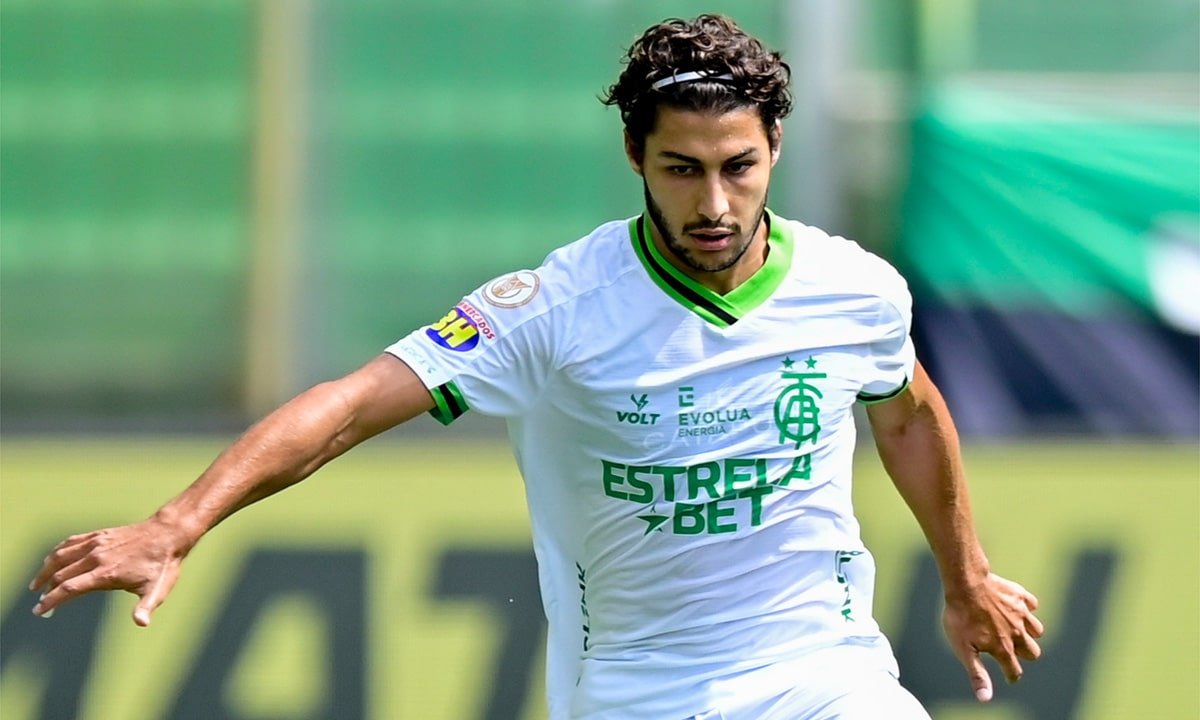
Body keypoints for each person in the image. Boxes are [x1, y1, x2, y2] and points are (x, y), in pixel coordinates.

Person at [30, 14, 1043, 720]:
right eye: (681, 171)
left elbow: (907, 412)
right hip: (641, 693)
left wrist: (964, 578)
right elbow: (347, 406)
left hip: (824, 669)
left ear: (775, 145)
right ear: (635, 157)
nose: (716, 205)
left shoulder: (854, 288)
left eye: (739, 167)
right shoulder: (558, 309)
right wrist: (179, 522)